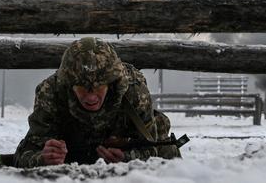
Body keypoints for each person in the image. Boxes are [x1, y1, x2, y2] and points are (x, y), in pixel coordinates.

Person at [14, 37, 180, 167]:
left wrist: (127, 158)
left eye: (99, 86)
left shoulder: (134, 92)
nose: (91, 97)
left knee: (169, 154)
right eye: (82, 87)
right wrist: (43, 158)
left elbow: (152, 149)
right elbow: (24, 155)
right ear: (69, 84)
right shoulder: (51, 93)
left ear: (112, 83)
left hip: (127, 162)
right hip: (69, 163)